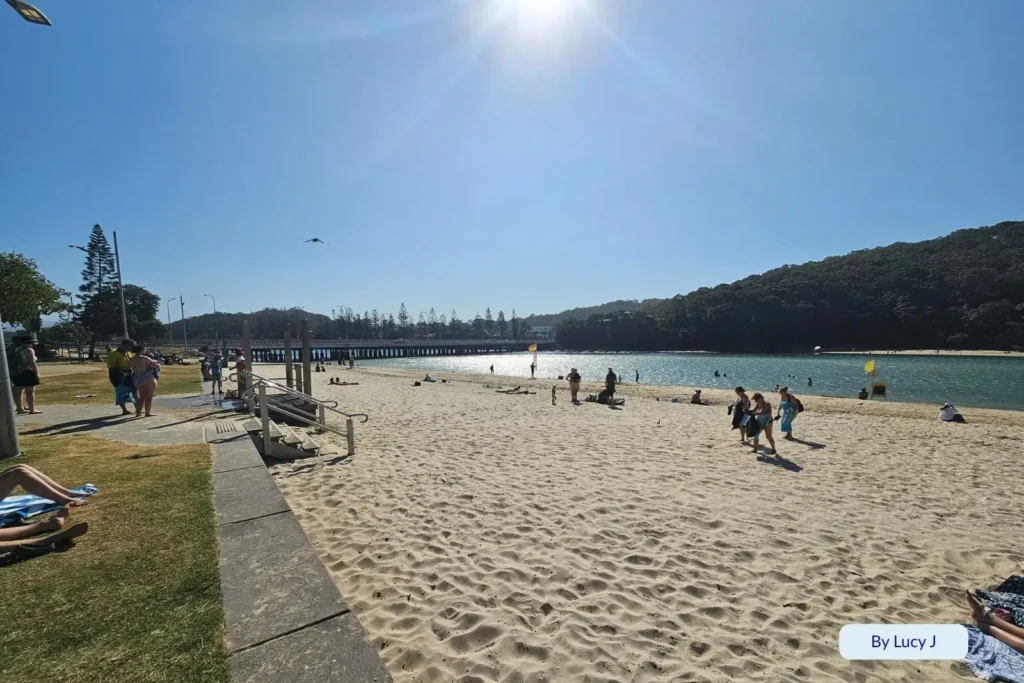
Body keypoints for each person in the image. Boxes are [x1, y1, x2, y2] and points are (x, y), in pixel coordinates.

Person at [8, 333, 41, 414]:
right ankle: (32, 409)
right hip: (27, 372)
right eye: (30, 342)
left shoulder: (15, 350)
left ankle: (20, 408)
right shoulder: (29, 350)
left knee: (18, 390)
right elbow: (32, 362)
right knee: (30, 391)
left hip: (16, 372)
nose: (32, 344)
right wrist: (37, 373)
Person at [130, 344, 160, 417]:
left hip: (137, 378)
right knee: (149, 397)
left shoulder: (131, 359)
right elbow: (155, 366)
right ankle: (147, 413)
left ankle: (139, 412)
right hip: (147, 377)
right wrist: (156, 365)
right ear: (141, 350)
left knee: (142, 397)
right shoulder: (145, 358)